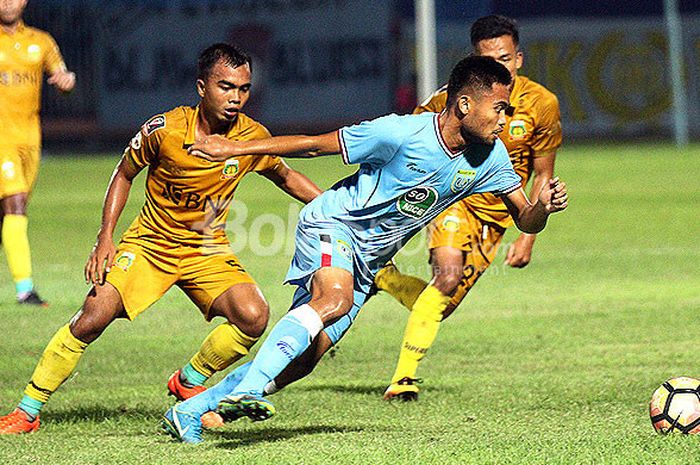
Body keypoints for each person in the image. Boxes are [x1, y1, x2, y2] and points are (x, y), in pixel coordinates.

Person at [161, 55, 568, 443]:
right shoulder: (400, 132)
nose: (505, 118)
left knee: (305, 359)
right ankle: (247, 390)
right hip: (333, 223)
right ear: (464, 103)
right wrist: (233, 148)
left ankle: (190, 412)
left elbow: (524, 217)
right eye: (498, 107)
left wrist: (542, 209)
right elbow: (314, 145)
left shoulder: (491, 157)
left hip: (369, 261)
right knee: (334, 300)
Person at [0, 43, 321, 435]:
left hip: (206, 245)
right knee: (92, 317)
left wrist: (334, 207)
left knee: (253, 316)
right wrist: (106, 237)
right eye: (225, 87)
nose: (236, 98)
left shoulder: (251, 137)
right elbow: (123, 173)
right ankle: (28, 411)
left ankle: (189, 379)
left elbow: (286, 176)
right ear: (202, 87)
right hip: (150, 244)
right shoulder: (165, 129)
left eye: (243, 88)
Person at [374, 15, 563, 401]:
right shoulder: (453, 97)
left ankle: (385, 278)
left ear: (520, 58)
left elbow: (543, 174)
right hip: (452, 199)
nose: (498, 66)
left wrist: (528, 236)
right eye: (488, 59)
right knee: (447, 276)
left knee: (440, 304)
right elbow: (409, 134)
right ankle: (403, 379)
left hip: (499, 218)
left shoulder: (542, 104)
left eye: (505, 58)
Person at [0, 0, 76, 306]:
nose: (7, 3)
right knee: (15, 203)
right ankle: (25, 290)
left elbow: (62, 75)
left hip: (30, 138)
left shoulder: (41, 41)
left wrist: (66, 82)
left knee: (7, 213)